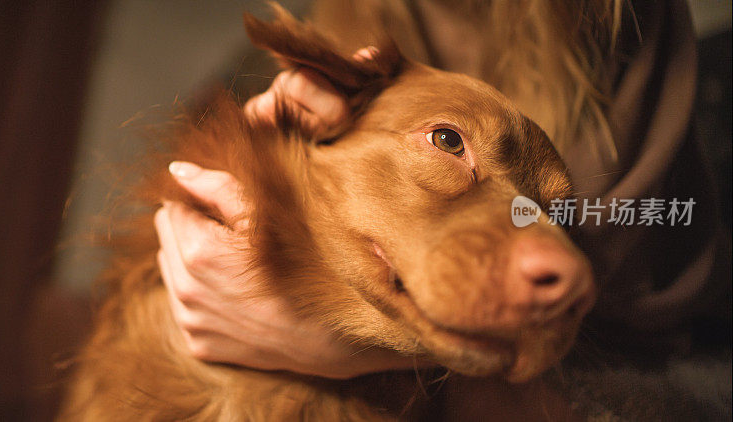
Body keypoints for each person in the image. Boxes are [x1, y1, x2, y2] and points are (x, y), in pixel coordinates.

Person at [154, 0, 723, 380]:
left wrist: (347, 353)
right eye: (449, 143)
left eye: (555, 217)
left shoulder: (637, 33)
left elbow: (666, 366)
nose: (566, 262)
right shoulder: (300, 40)